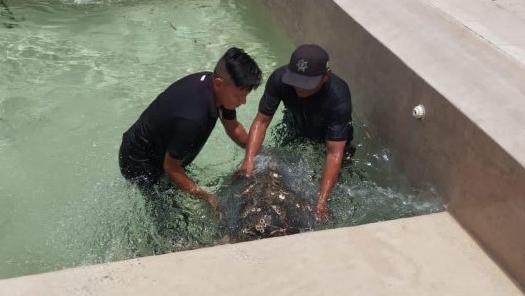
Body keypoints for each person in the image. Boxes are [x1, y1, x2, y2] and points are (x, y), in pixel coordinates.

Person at [119, 47, 263, 215]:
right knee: (171, 216)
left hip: (164, 151)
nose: (243, 102)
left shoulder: (217, 89)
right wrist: (206, 197)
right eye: (239, 96)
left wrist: (255, 153)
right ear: (218, 84)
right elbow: (171, 168)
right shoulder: (193, 117)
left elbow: (233, 126)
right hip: (139, 162)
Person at [237, 44, 353, 222]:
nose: (300, 88)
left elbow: (334, 152)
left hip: (329, 134)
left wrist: (321, 202)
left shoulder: (338, 96)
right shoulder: (279, 79)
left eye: (307, 84)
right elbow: (261, 121)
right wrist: (248, 161)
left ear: (325, 76)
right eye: (296, 81)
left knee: (340, 184)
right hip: (296, 124)